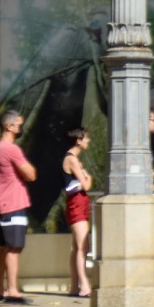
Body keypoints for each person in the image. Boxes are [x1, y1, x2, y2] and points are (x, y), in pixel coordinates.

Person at [0, 110, 36, 303]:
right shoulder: (11, 149)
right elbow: (31, 174)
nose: (21, 129)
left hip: (3, 203)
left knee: (4, 247)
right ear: (8, 126)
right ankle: (12, 290)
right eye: (19, 125)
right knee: (14, 248)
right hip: (13, 203)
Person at [62, 127, 94, 298]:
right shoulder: (72, 160)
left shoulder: (73, 159)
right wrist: (88, 177)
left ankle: (75, 286)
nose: (88, 142)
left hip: (78, 203)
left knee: (77, 247)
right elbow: (87, 184)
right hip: (77, 204)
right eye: (86, 138)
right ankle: (84, 285)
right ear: (78, 140)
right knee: (83, 246)